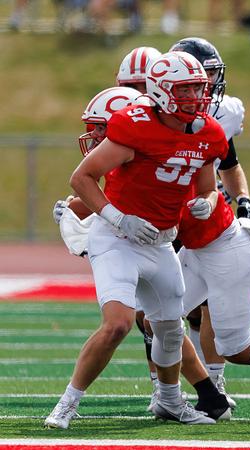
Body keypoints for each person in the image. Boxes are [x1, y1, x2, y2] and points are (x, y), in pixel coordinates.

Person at [46, 51, 228, 428]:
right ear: (161, 92)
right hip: (117, 239)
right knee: (118, 324)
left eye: (199, 88)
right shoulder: (136, 126)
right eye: (186, 89)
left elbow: (209, 189)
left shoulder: (209, 132)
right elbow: (82, 177)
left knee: (170, 330)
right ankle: (67, 403)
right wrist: (119, 218)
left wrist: (206, 204)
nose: (196, 96)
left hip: (161, 242)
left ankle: (170, 401)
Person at [168, 35, 250, 410]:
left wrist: (244, 199)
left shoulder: (219, 117)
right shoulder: (155, 115)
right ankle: (166, 388)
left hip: (207, 214)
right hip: (167, 215)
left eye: (209, 77)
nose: (206, 87)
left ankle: (213, 384)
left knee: (207, 305)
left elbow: (229, 164)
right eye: (197, 78)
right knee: (160, 311)